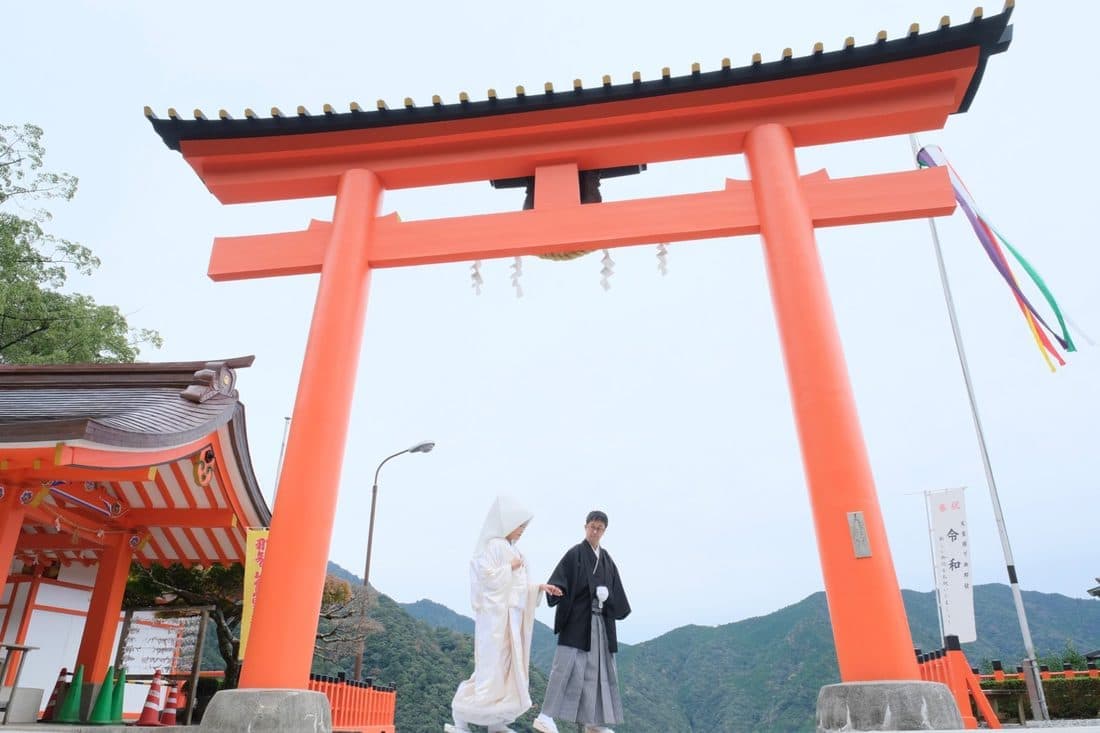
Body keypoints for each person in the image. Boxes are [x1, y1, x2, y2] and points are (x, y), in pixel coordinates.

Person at [445, 496, 563, 733]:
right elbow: (485, 577)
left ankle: (496, 723)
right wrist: (509, 568)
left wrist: (538, 588)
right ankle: (460, 717)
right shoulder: (494, 546)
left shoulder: (515, 550)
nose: (521, 531)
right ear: (508, 523)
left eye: (524, 527)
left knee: (507, 673)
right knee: (489, 673)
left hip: (512, 621)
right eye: (520, 526)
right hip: (496, 621)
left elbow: (519, 587)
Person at [533, 510, 630, 733]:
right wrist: (557, 591)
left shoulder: (607, 560)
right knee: (565, 666)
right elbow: (559, 582)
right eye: (592, 527)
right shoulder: (574, 554)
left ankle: (592, 722)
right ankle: (545, 715)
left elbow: (617, 594)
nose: (595, 531)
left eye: (600, 528)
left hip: (600, 624)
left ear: (605, 531)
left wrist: (607, 597)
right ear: (585, 526)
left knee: (598, 672)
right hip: (578, 621)